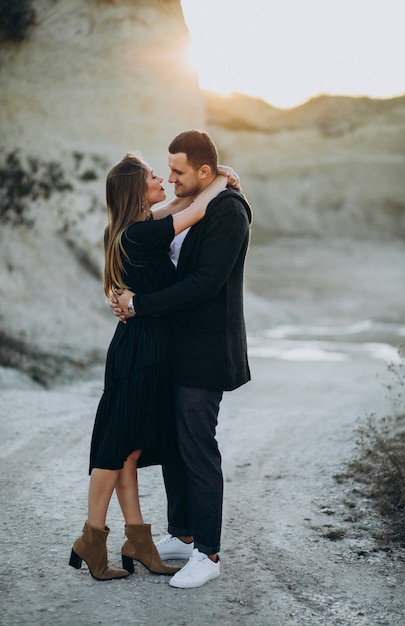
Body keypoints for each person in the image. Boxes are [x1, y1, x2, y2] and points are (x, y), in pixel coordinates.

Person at [69, 152, 232, 581]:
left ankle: (137, 539)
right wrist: (222, 181)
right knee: (116, 446)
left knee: (131, 448)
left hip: (142, 346)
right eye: (152, 176)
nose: (162, 179)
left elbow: (176, 207)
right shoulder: (141, 234)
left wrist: (212, 180)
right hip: (141, 350)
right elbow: (194, 210)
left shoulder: (131, 228)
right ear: (135, 190)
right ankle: (93, 537)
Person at [111, 130, 252, 588]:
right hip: (173, 349)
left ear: (204, 172)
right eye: (167, 171)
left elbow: (205, 284)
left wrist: (139, 306)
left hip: (205, 352)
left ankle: (208, 555)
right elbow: (143, 235)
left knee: (197, 449)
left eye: (178, 171)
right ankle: (184, 535)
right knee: (174, 448)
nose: (170, 178)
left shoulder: (229, 211)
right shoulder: (193, 202)